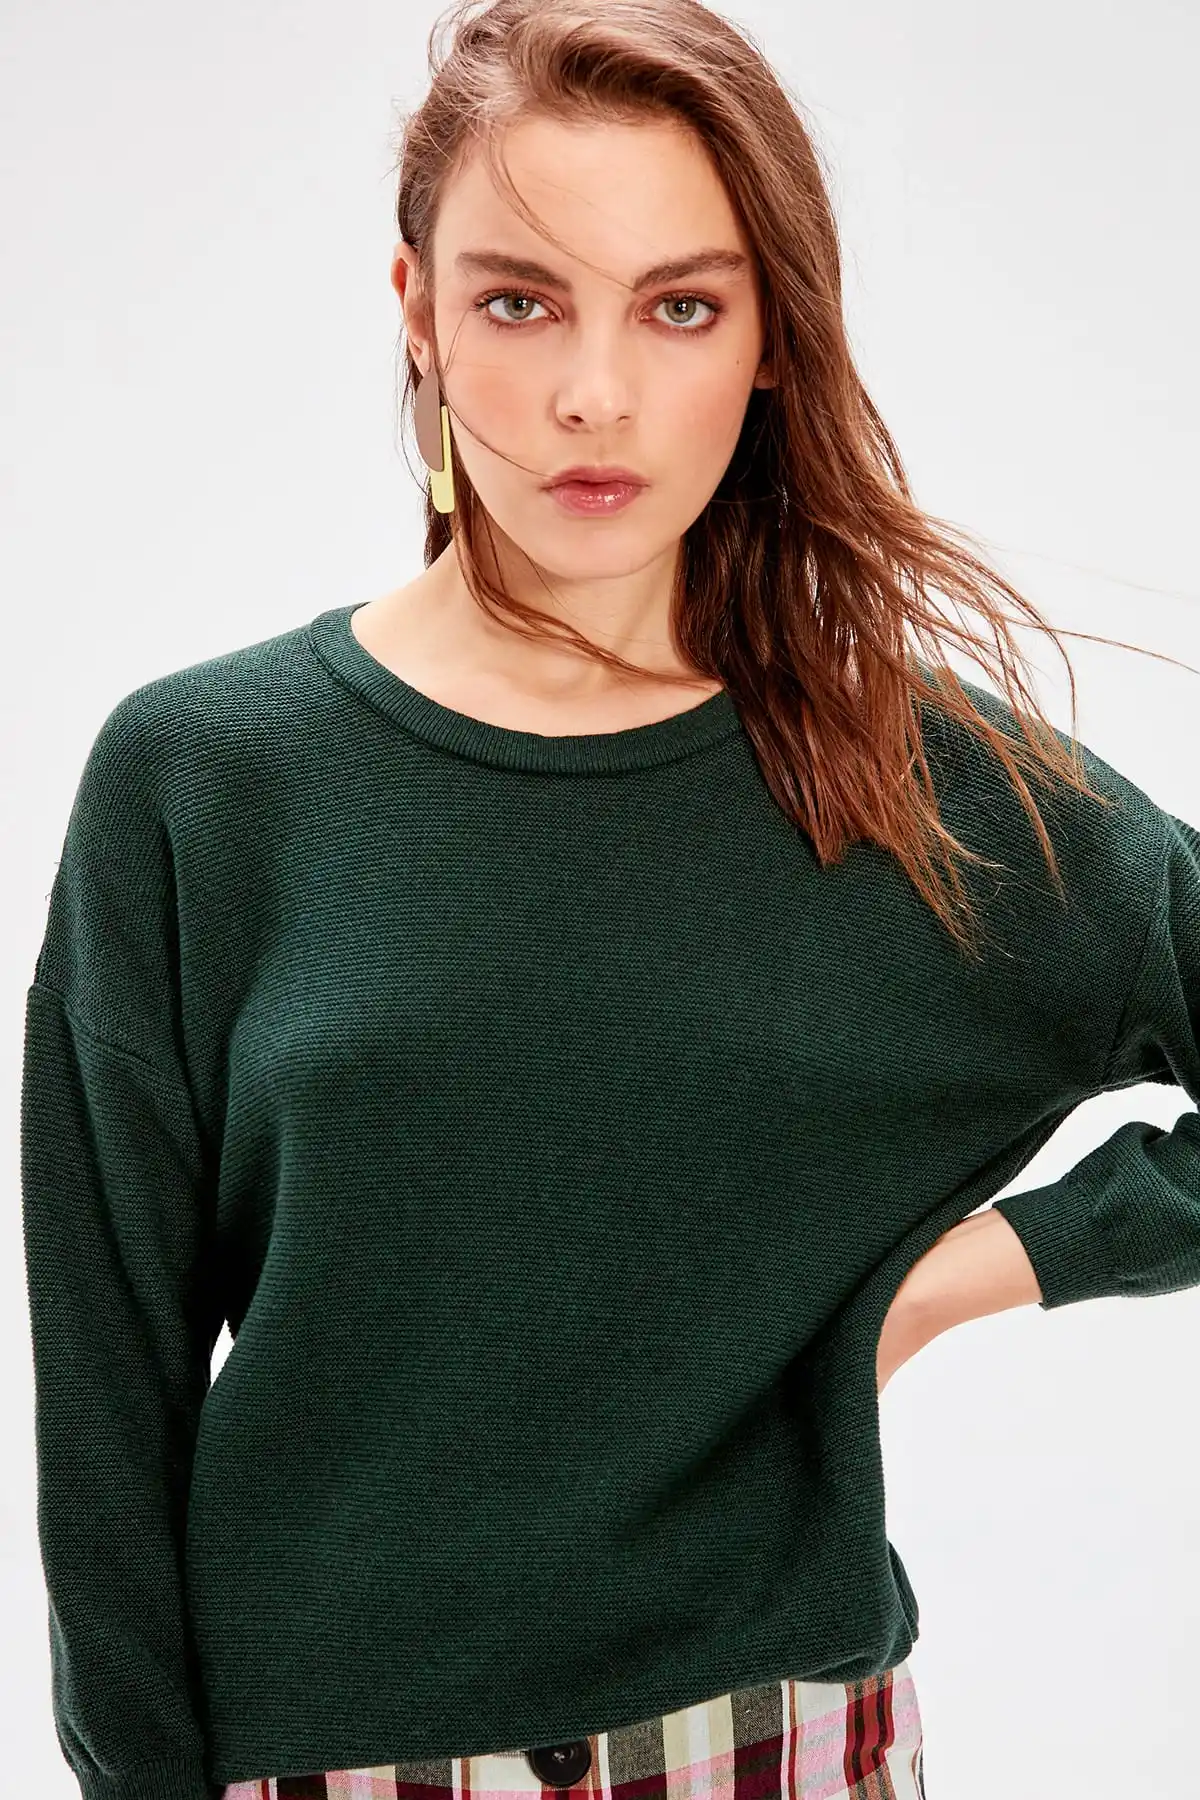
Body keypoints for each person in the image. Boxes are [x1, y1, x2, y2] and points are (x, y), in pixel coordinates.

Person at [19, 2, 1200, 1798]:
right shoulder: (201, 779)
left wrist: (961, 1278)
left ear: (772, 337)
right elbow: (107, 1398)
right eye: (519, 302)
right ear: (415, 311)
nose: (597, 393)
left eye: (679, 306)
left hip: (779, 1750)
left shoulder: (914, 784)